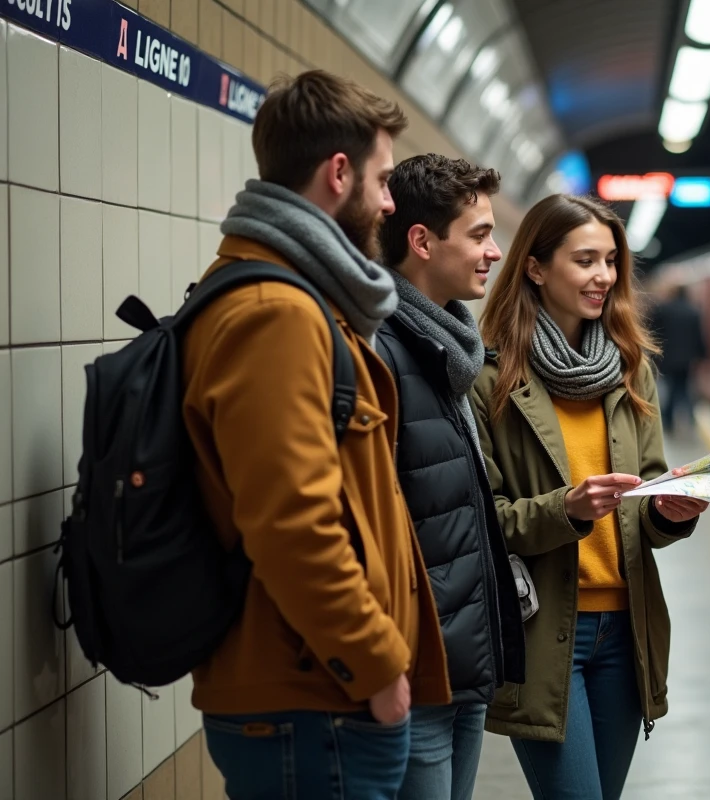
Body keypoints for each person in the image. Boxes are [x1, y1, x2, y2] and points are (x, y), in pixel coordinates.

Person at [182, 70, 451, 799]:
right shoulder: (277, 312)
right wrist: (375, 666)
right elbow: (291, 523)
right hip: (314, 701)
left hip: (321, 696)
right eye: (384, 179)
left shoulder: (303, 300)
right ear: (339, 173)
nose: (390, 201)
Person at [471, 194, 708, 799]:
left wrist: (667, 510)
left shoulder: (632, 368)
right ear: (535, 266)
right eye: (584, 260)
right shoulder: (490, 375)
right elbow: (478, 522)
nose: (603, 275)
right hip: (544, 629)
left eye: (610, 260)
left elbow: (647, 495)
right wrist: (567, 509)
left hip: (627, 630)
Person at [374, 154, 526, 800]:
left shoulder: (450, 346)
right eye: (479, 234)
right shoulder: (386, 349)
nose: (494, 252)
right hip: (418, 667)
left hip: (462, 664)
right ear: (422, 242)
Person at [650, 285, 709, 435]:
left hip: (667, 359)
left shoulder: (663, 310)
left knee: (669, 389)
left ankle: (668, 421)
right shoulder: (693, 311)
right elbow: (699, 336)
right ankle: (689, 420)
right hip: (687, 360)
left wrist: (653, 355)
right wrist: (703, 356)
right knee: (684, 389)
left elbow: (654, 333)